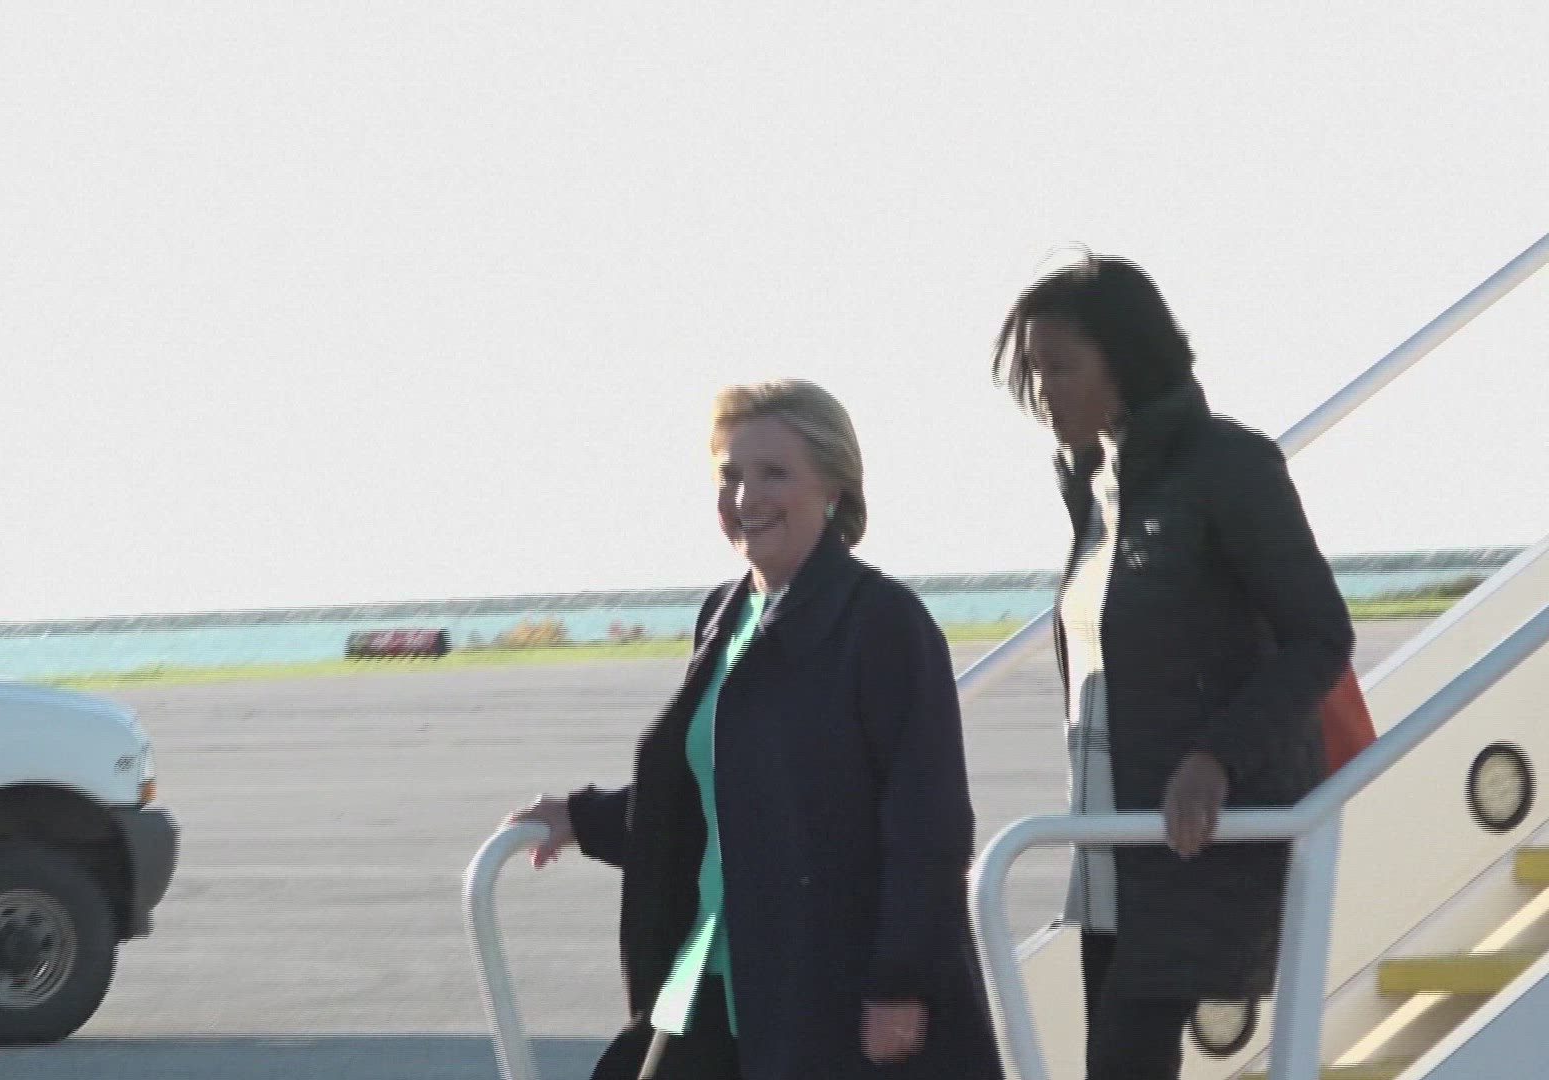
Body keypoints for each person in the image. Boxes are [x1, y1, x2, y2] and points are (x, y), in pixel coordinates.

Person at [506, 380, 1002, 1080]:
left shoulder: (884, 622)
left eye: (774, 473)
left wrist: (902, 984)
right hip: (711, 971)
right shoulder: (723, 615)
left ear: (833, 488)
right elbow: (719, 801)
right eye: (729, 475)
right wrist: (584, 818)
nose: (746, 498)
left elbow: (930, 823)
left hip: (832, 990)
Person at [991, 254, 1355, 1080]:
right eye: (1034, 370)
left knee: (1124, 1063)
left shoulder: (1229, 467)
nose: (1042, 391)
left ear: (1124, 362)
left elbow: (1320, 635)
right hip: (1111, 841)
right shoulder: (1097, 485)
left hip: (1194, 840)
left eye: (1059, 367)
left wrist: (1215, 757)